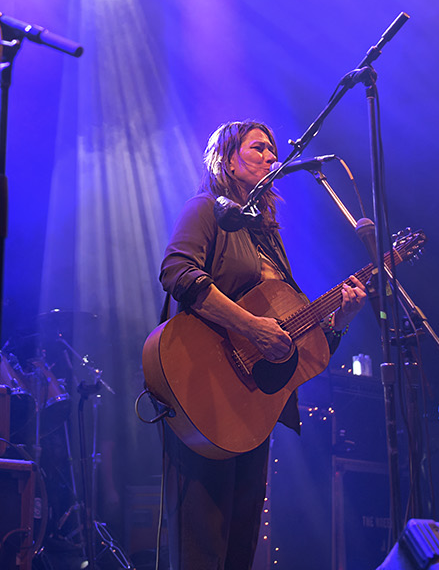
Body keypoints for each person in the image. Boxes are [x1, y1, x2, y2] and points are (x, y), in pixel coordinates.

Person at [157, 121, 365, 570]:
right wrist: (251, 327)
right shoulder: (207, 210)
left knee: (241, 546)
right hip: (203, 389)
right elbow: (176, 271)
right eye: (259, 149)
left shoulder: (269, 238)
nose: (273, 157)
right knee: (201, 547)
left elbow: (298, 348)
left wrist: (341, 320)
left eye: (273, 150)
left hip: (252, 406)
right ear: (228, 160)